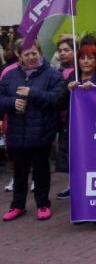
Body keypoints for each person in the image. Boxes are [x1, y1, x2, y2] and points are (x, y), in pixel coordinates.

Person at [0, 40, 64, 221]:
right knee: (19, 171)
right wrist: (12, 103)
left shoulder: (52, 75)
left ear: (40, 53)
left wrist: (33, 94)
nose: (31, 57)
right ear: (19, 56)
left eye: (34, 53)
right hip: (17, 132)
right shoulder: (9, 75)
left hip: (41, 131)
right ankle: (17, 205)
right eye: (26, 54)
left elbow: (56, 100)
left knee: (41, 171)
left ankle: (43, 204)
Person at [55, 44, 96, 199]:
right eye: (82, 58)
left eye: (90, 58)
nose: (85, 62)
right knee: (80, 167)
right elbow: (58, 103)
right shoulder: (72, 77)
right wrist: (68, 90)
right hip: (77, 130)